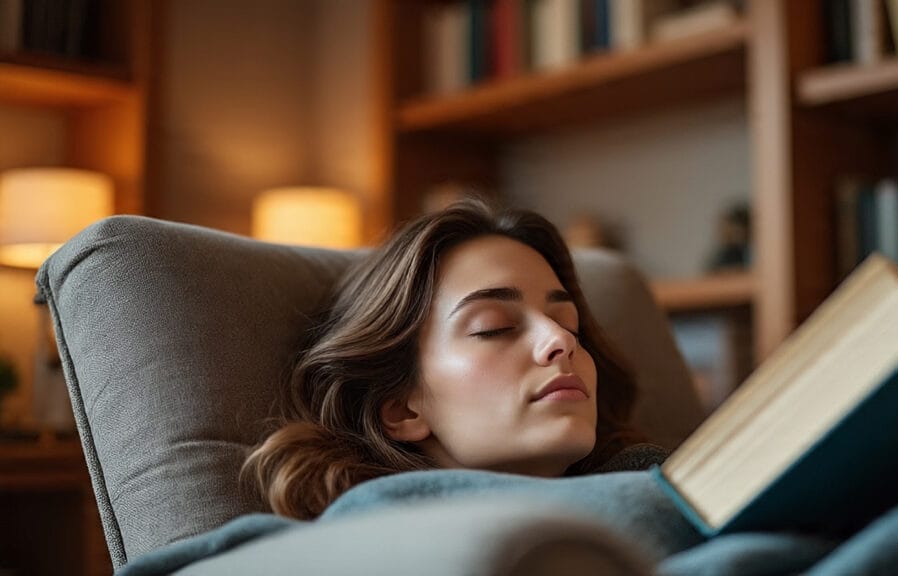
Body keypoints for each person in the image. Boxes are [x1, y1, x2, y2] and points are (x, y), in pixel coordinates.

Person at [242, 198, 655, 520]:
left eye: (569, 323)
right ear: (401, 407)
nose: (560, 339)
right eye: (494, 327)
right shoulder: (365, 531)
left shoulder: (660, 480)